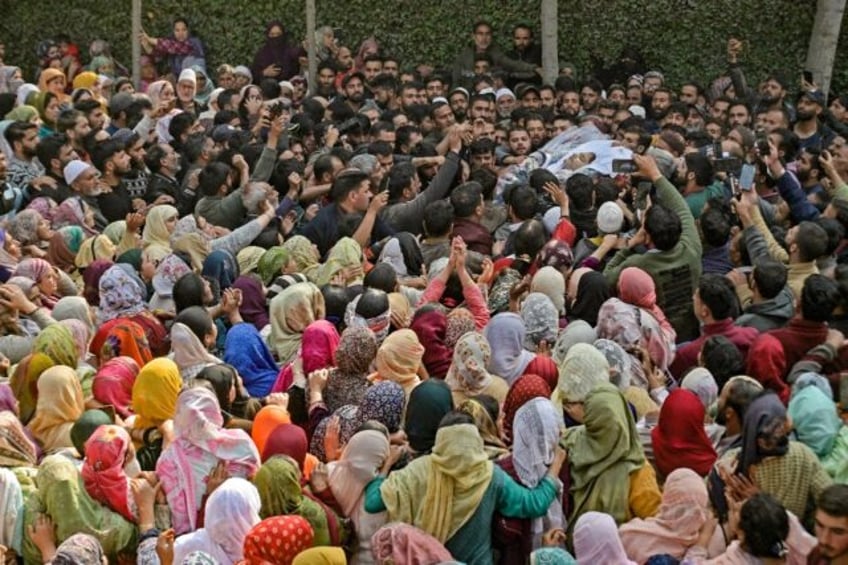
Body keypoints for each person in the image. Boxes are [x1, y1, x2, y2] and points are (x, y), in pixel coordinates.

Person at [365, 417, 567, 565]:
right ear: (476, 442)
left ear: (440, 442)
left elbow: (372, 502)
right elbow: (534, 504)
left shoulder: (418, 471)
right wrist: (556, 464)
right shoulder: (489, 475)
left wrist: (385, 467)